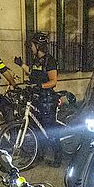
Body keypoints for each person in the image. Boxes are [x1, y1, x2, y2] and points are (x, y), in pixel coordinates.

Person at [15, 32, 62, 166]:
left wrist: (40, 86)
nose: (31, 48)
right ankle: (39, 154)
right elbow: (32, 72)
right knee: (37, 129)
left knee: (49, 129)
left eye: (32, 45)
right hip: (36, 98)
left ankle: (57, 158)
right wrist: (21, 65)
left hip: (47, 100)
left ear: (38, 45)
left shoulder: (50, 61)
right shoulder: (36, 60)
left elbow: (53, 81)